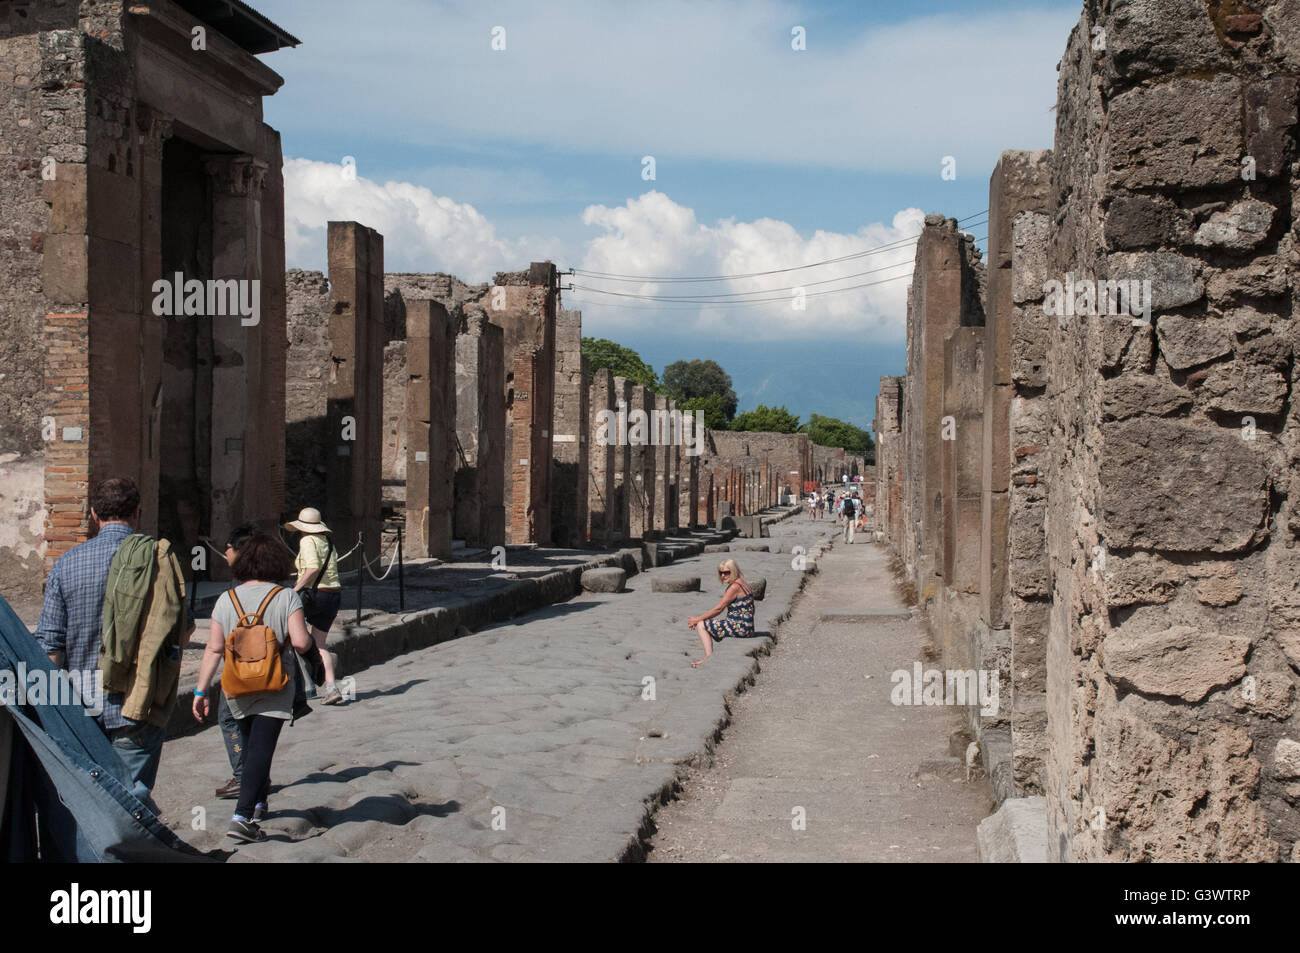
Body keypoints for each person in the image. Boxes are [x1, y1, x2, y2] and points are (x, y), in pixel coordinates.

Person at [35, 477, 192, 815]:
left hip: (82, 701)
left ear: (93, 514)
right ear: (137, 512)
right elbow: (184, 628)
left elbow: (50, 644)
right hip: (140, 700)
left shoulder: (67, 563)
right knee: (130, 802)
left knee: (89, 802)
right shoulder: (158, 558)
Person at [192, 534, 315, 843]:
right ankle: (242, 816)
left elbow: (214, 648)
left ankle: (258, 802)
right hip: (274, 684)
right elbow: (300, 643)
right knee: (262, 748)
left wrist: (200, 690)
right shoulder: (286, 597)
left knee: (248, 746)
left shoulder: (226, 599)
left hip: (236, 684)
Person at [284, 507, 344, 706]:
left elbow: (313, 568)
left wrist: (295, 589)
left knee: (288, 634)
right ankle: (331, 686)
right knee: (320, 644)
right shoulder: (328, 542)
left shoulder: (307, 541)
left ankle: (303, 684)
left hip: (314, 594)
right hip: (333, 594)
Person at [688, 559, 755, 668]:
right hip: (748, 627)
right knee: (705, 623)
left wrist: (696, 620)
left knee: (701, 625)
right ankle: (708, 658)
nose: (723, 575)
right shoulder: (742, 582)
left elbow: (719, 609)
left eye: (727, 572)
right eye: (721, 573)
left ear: (733, 571)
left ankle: (708, 659)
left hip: (741, 628)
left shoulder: (734, 587)